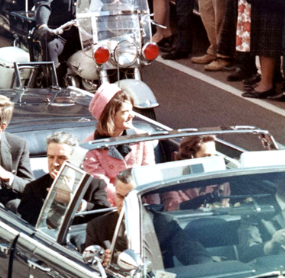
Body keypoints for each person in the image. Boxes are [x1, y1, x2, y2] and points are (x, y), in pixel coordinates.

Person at [84, 169, 213, 268]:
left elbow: (193, 253)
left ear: (144, 198)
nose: (124, 203)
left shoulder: (164, 224)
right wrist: (102, 262)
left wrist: (206, 265)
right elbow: (89, 265)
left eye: (129, 198)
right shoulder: (97, 227)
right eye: (119, 196)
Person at [82, 83, 155, 205]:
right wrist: (127, 202)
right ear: (110, 116)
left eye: (131, 110)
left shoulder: (142, 138)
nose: (132, 115)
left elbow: (149, 175)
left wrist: (154, 208)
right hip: (110, 206)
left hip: (143, 200)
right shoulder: (90, 147)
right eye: (125, 112)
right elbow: (102, 185)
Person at [18, 132, 110, 225]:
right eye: (51, 157)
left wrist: (74, 202)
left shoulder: (94, 185)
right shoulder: (33, 189)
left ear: (75, 159)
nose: (55, 163)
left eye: (62, 158)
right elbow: (30, 225)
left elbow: (104, 215)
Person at [161, 135, 230, 211]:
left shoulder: (221, 181)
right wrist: (196, 202)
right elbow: (171, 208)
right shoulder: (172, 180)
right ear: (191, 157)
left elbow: (225, 207)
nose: (212, 160)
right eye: (207, 156)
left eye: (214, 155)